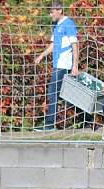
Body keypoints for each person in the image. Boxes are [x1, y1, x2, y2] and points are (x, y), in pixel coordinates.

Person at [33, 2, 78, 131]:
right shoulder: (56, 25)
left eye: (52, 12)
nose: (50, 14)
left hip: (64, 64)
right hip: (57, 64)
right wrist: (41, 55)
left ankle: (49, 124)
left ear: (60, 10)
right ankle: (87, 119)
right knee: (65, 94)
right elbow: (53, 45)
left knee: (53, 93)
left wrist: (74, 66)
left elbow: (75, 45)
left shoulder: (68, 24)